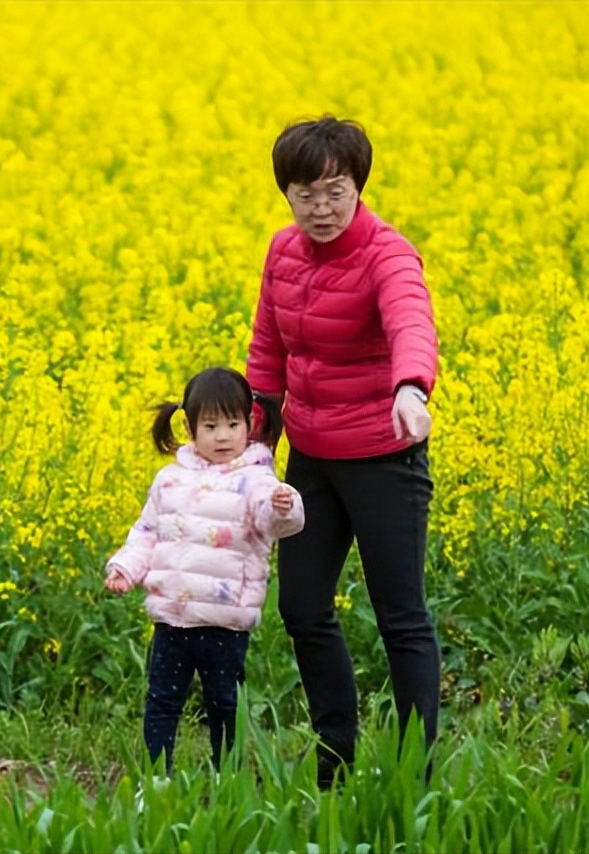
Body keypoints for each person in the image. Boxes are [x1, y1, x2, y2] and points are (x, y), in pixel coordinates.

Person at [245, 115, 440, 789]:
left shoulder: (389, 254)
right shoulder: (283, 252)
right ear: (287, 193)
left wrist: (410, 388)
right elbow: (268, 350)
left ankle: (416, 772)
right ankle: (336, 754)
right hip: (312, 459)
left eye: (335, 192)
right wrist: (253, 440)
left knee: (401, 617)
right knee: (301, 607)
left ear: (358, 187)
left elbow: (411, 320)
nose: (321, 208)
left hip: (385, 459)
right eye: (305, 194)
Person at [105, 366, 305, 774]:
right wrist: (125, 567)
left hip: (224, 623)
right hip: (172, 618)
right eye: (210, 426)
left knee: (225, 705)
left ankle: (226, 779)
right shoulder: (169, 479)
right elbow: (147, 532)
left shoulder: (256, 479)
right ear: (190, 428)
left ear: (250, 424)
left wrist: (284, 505)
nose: (223, 436)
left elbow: (272, 519)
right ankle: (156, 780)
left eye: (233, 424)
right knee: (162, 702)